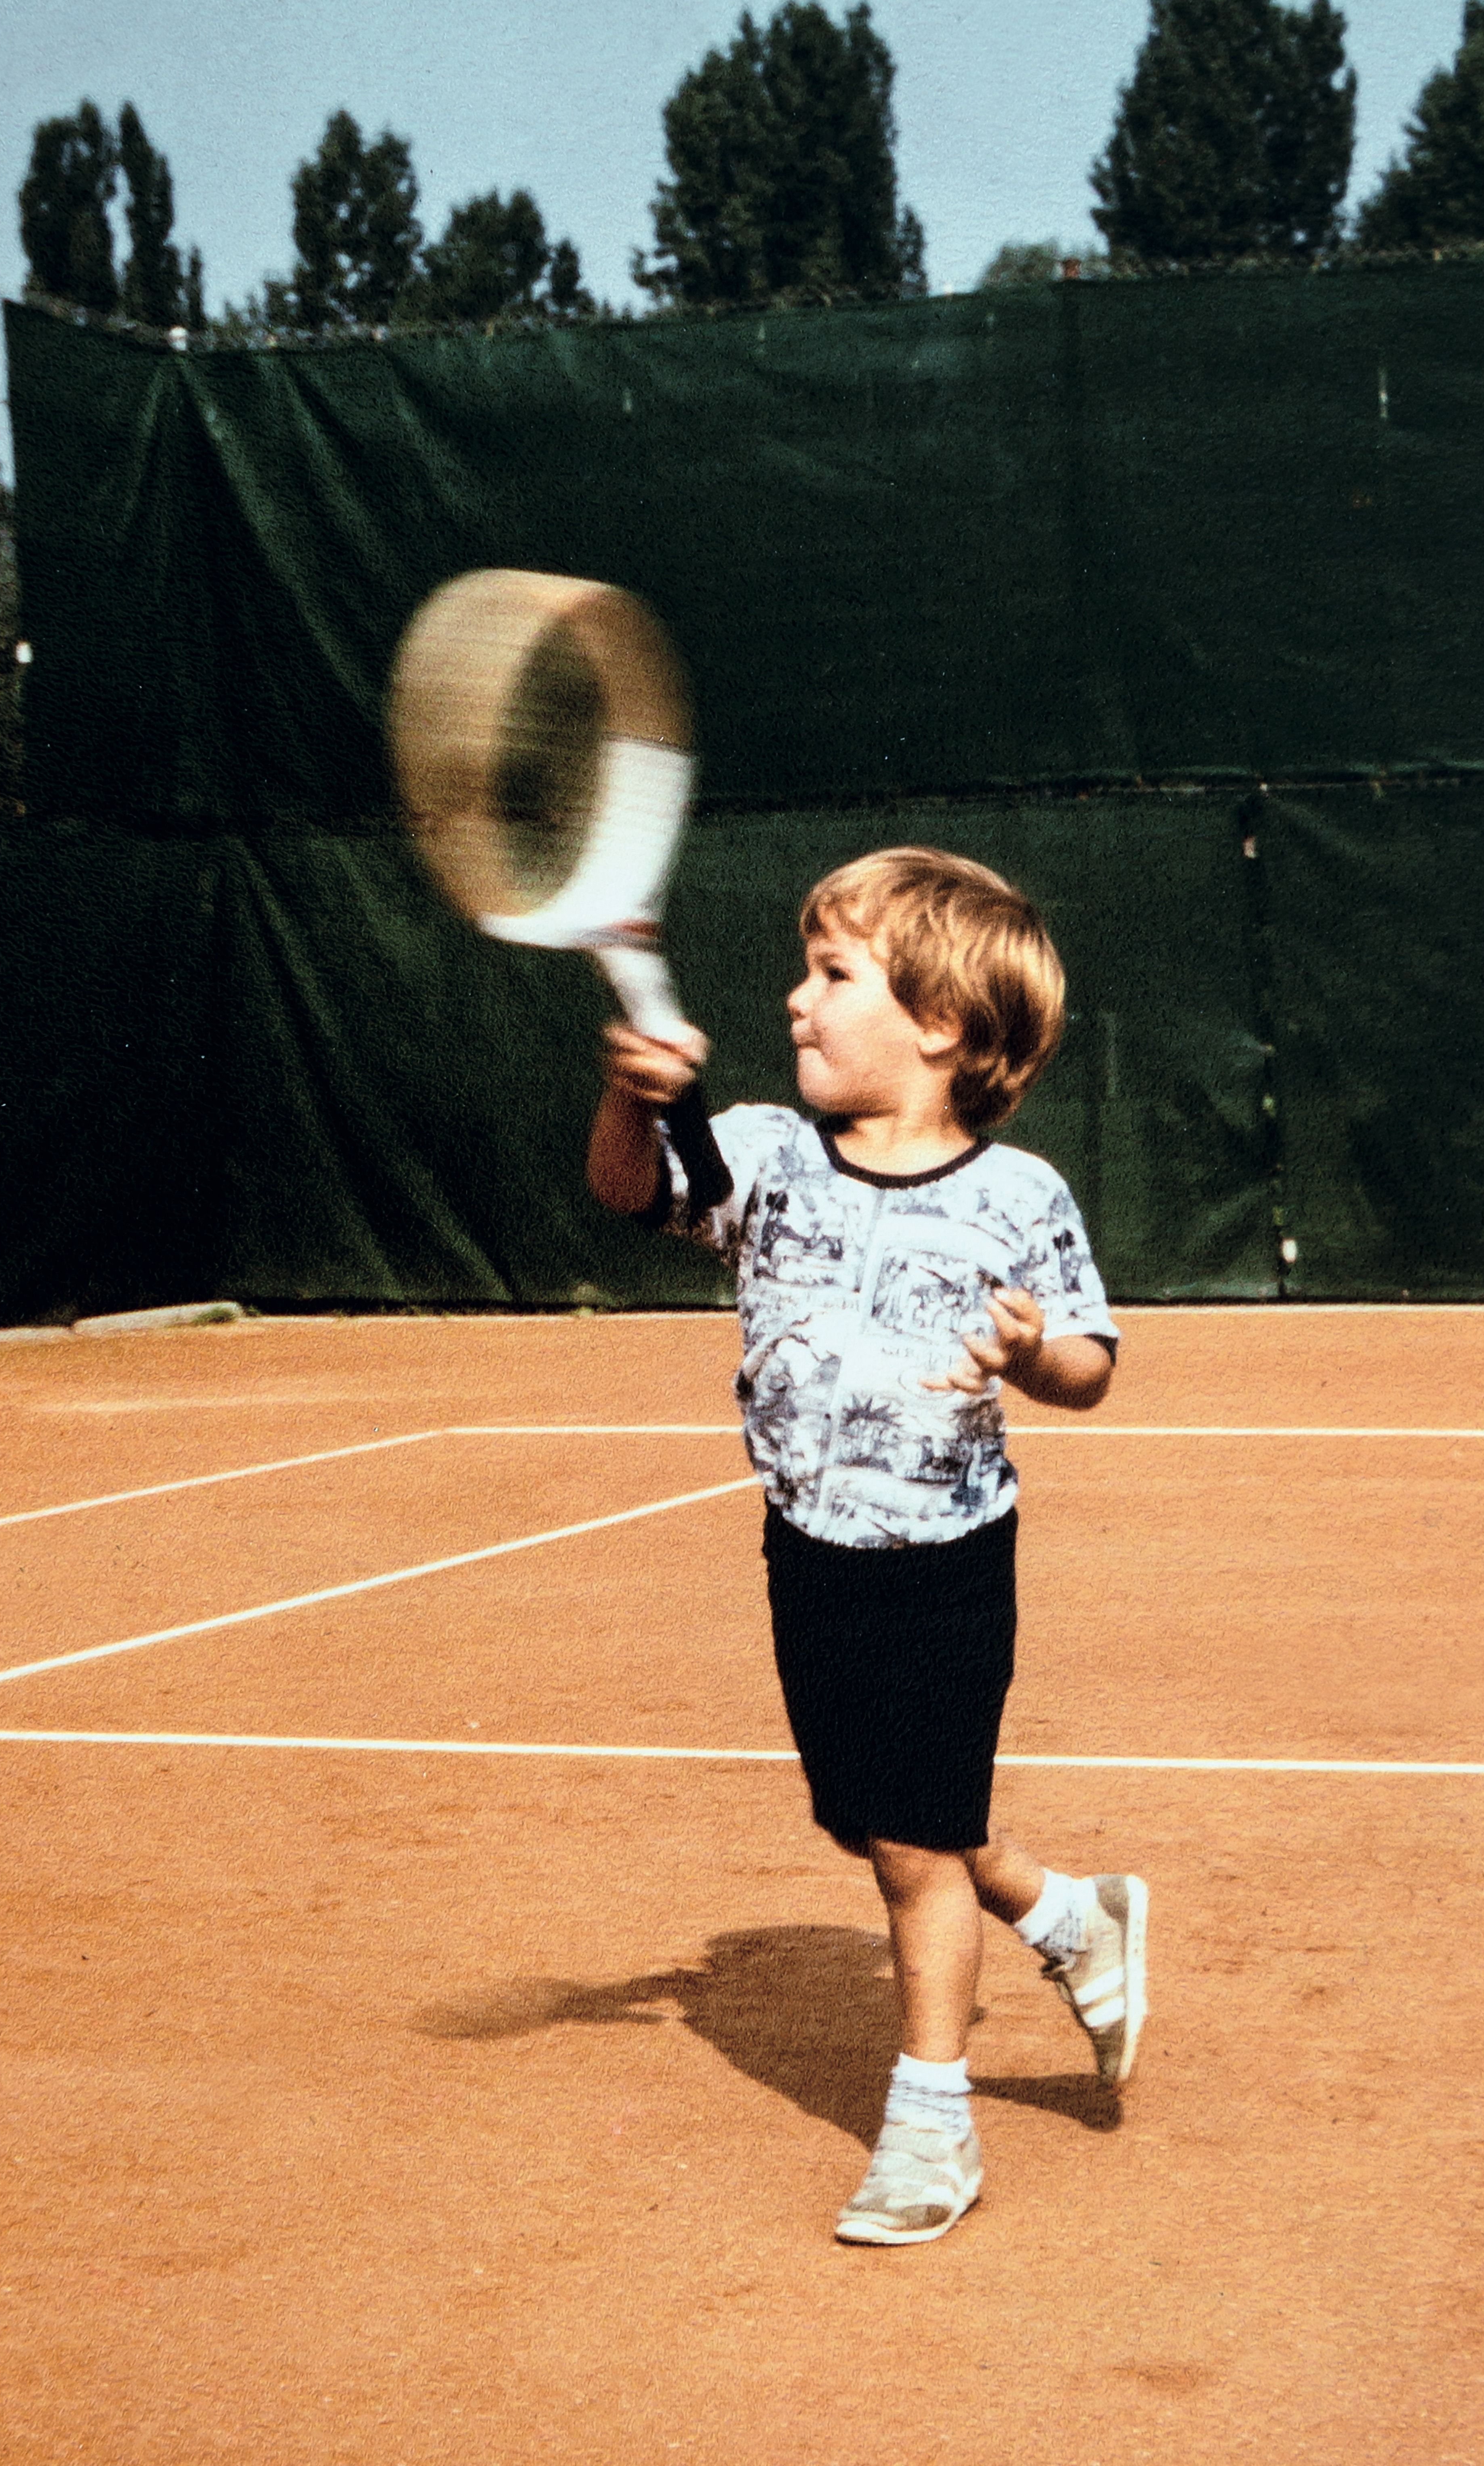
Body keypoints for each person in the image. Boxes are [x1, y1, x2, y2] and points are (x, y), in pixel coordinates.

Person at [586, 846, 1147, 2246]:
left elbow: (1089, 1365)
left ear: (941, 1025)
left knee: (909, 1845)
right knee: (878, 1820)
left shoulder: (1019, 1193)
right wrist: (628, 1098)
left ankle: (929, 2127)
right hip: (806, 1546)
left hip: (947, 1558)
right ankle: (1075, 1919)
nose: (794, 1000)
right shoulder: (768, 1151)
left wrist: (1033, 1354)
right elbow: (634, 1196)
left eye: (833, 975)